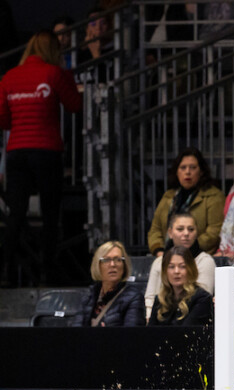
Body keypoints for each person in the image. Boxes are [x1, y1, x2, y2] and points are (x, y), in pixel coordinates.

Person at [0, 30, 82, 286]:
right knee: (49, 213)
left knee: (16, 214)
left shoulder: (9, 77)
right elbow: (75, 105)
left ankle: (5, 272)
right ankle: (48, 271)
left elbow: (3, 120)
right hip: (46, 152)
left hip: (17, 153)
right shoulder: (53, 73)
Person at [146, 147, 225, 255]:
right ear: (177, 172)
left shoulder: (213, 196)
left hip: (199, 256)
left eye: (193, 167)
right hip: (166, 257)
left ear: (201, 171)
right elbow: (155, 229)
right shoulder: (168, 196)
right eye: (183, 167)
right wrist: (159, 251)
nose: (187, 172)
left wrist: (187, 248)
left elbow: (214, 232)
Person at [144, 212, 215, 320]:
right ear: (170, 232)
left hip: (190, 315)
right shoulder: (159, 262)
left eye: (191, 229)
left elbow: (203, 299)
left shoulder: (205, 261)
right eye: (180, 229)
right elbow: (149, 298)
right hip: (164, 310)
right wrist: (149, 316)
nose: (186, 233)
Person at [76, 241, 143, 327]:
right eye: (106, 260)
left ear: (124, 265)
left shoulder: (134, 297)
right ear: (98, 265)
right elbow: (75, 332)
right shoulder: (89, 295)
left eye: (118, 259)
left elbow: (132, 335)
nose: (112, 264)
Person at [148, 246, 214, 327]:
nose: (176, 271)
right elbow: (150, 332)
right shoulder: (160, 299)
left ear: (191, 269)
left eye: (182, 266)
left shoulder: (202, 298)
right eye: (171, 267)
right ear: (165, 271)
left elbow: (185, 333)